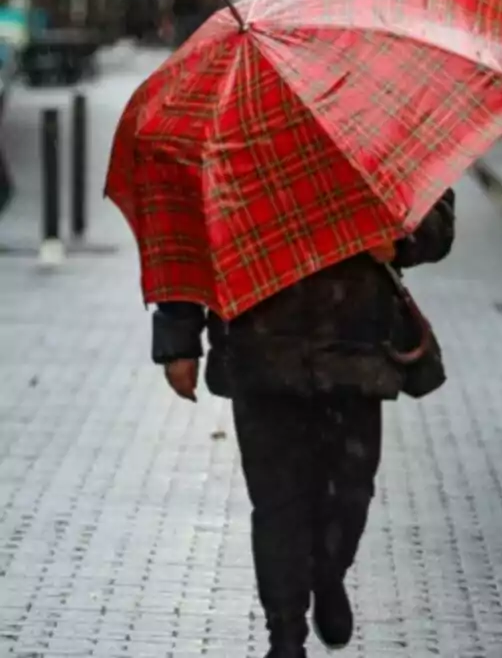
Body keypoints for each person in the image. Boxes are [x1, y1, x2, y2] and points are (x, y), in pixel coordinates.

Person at [151, 189, 456, 658]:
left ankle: (328, 574)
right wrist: (178, 338)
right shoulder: (226, 133)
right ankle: (285, 635)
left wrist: (400, 243)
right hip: (259, 345)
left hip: (353, 351)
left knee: (351, 493)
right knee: (277, 503)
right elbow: (185, 234)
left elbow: (437, 215)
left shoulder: (370, 125)